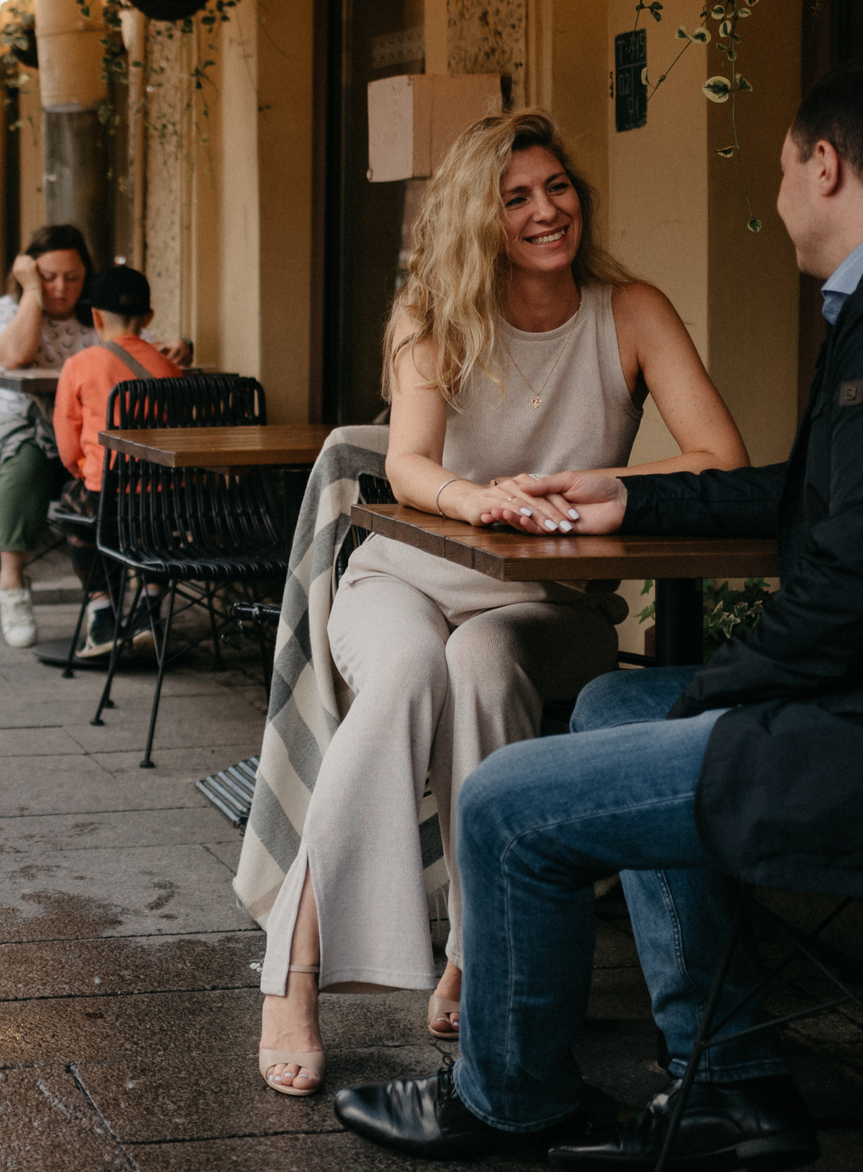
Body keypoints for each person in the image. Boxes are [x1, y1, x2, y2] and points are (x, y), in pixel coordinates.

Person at [332, 62, 863, 1166]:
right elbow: (814, 497)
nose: (777, 199)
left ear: (823, 164)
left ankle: (509, 1099)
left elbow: (859, 584)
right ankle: (726, 1076)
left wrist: (719, 696)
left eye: (780, 170)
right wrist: (631, 491)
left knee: (500, 800)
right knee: (607, 707)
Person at [257, 111, 749, 1102]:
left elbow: (720, 459)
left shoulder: (631, 310)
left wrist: (587, 481)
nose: (543, 210)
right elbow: (405, 463)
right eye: (515, 196)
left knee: (484, 668)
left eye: (556, 186)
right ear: (478, 218)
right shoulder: (430, 312)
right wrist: (477, 498)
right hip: (406, 571)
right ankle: (291, 973)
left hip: (544, 598)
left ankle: (478, 957)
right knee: (399, 679)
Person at [0, 224, 185, 650]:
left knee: (104, 495)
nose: (61, 287)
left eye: (72, 276)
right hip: (18, 422)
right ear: (29, 274)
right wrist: (31, 293)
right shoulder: (9, 307)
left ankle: (107, 606)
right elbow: (14, 356)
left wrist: (182, 346)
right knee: (25, 462)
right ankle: (12, 583)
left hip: (92, 445)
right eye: (48, 276)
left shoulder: (99, 314)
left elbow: (142, 347)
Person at [46, 264, 181, 657]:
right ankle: (150, 605)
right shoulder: (169, 369)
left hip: (108, 497)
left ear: (95, 316)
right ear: (149, 318)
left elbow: (68, 448)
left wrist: (86, 472)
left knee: (75, 505)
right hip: (166, 503)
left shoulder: (79, 366)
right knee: (160, 525)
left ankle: (103, 611)